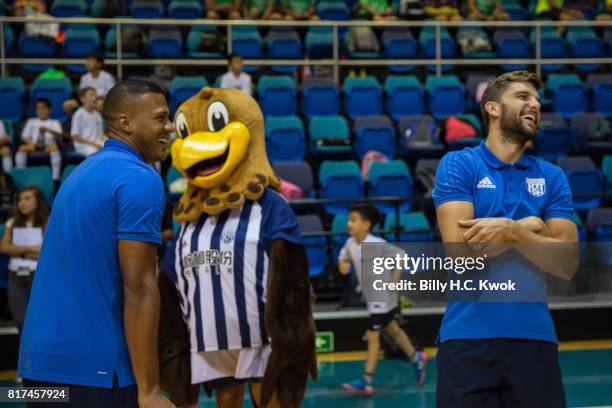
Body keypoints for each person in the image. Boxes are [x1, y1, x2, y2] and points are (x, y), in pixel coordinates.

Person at [18, 80, 175, 408]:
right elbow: (140, 288)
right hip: (95, 373)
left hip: (36, 370)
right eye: (161, 118)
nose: (170, 127)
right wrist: (149, 391)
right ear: (126, 123)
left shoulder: (79, 173)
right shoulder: (139, 178)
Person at [433, 71, 579, 407]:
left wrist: (512, 231)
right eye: (523, 97)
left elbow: (568, 262)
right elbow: (461, 252)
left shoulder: (552, 176)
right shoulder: (459, 164)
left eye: (538, 101)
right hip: (467, 339)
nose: (535, 105)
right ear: (493, 108)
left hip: (535, 338)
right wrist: (535, 231)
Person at [339, 205, 427, 396]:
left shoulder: (376, 244)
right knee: (393, 330)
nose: (349, 223)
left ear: (366, 225)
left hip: (383, 296)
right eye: (349, 220)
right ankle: (416, 358)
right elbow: (343, 260)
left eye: (354, 220)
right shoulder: (349, 244)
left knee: (373, 335)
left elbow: (401, 256)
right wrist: (343, 265)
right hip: (372, 299)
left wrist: (394, 281)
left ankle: (367, 380)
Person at [1, 187, 49, 333]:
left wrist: (18, 250)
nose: (23, 203)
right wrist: (30, 250)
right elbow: (4, 247)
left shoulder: (47, 221)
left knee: (41, 319)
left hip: (38, 274)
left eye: (27, 199)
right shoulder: (13, 222)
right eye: (20, 199)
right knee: (20, 321)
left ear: (38, 201)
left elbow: (47, 251)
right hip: (15, 274)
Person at [15, 98, 63, 182]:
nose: (41, 111)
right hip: (34, 145)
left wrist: (48, 130)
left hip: (48, 146)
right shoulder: (31, 121)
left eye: (43, 108)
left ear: (50, 110)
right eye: (38, 109)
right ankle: (20, 172)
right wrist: (31, 143)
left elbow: (60, 135)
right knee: (21, 148)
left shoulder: (54, 122)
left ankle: (55, 178)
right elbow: (24, 137)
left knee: (55, 148)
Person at [70, 87, 105, 157]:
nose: (94, 98)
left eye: (95, 95)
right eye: (91, 95)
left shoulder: (97, 114)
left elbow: (101, 135)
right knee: (95, 153)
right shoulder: (78, 114)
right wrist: (93, 144)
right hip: (83, 145)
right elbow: (75, 136)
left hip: (97, 143)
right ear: (82, 99)